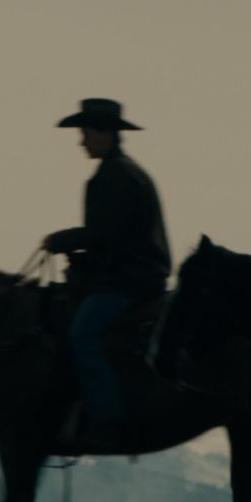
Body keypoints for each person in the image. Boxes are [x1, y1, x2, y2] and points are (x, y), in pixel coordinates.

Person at [43, 96, 170, 452]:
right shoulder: (127, 172)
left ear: (104, 133)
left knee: (82, 334)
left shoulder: (113, 177)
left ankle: (107, 419)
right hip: (136, 274)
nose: (81, 141)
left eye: (85, 133)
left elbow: (105, 235)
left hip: (127, 280)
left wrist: (63, 240)